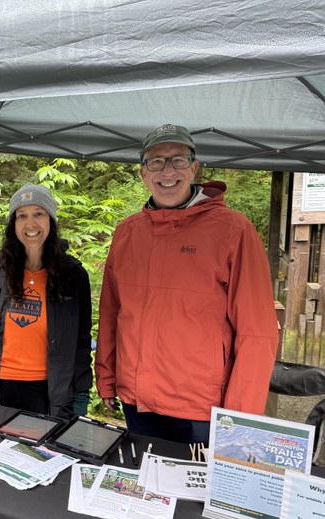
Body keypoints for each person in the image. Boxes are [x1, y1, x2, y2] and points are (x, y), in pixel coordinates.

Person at [94, 124, 279, 444]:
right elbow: (112, 312)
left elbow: (257, 333)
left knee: (198, 493)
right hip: (139, 400)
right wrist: (107, 377)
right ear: (143, 173)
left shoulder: (233, 231)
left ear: (194, 168)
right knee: (147, 487)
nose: (168, 171)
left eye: (178, 160)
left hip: (203, 409)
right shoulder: (127, 232)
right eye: (156, 161)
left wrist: (239, 416)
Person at [0, 183, 93, 419]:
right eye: (22, 216)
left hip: (47, 390)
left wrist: (81, 392)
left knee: (41, 453)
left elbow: (81, 341)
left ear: (50, 219)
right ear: (14, 225)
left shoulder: (73, 275)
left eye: (38, 214)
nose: (30, 224)